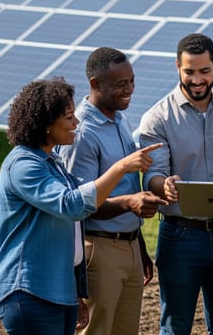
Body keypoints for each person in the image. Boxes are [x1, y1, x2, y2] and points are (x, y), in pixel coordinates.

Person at [0, 77, 157, 335]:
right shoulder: (24, 166)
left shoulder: (51, 162)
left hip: (57, 290)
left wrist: (75, 293)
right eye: (69, 117)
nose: (76, 122)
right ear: (46, 124)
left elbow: (74, 228)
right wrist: (120, 168)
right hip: (30, 291)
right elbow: (72, 205)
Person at [139, 33, 213, 335]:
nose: (197, 79)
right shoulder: (157, 118)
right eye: (189, 71)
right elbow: (152, 176)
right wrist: (164, 185)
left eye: (204, 71)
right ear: (177, 67)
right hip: (181, 237)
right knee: (175, 327)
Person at [60, 47, 168, 335]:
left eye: (132, 81)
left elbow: (125, 186)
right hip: (100, 250)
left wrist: (138, 246)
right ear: (96, 84)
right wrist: (130, 203)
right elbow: (79, 205)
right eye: (121, 84)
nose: (130, 89)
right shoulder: (82, 133)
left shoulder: (120, 119)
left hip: (128, 246)